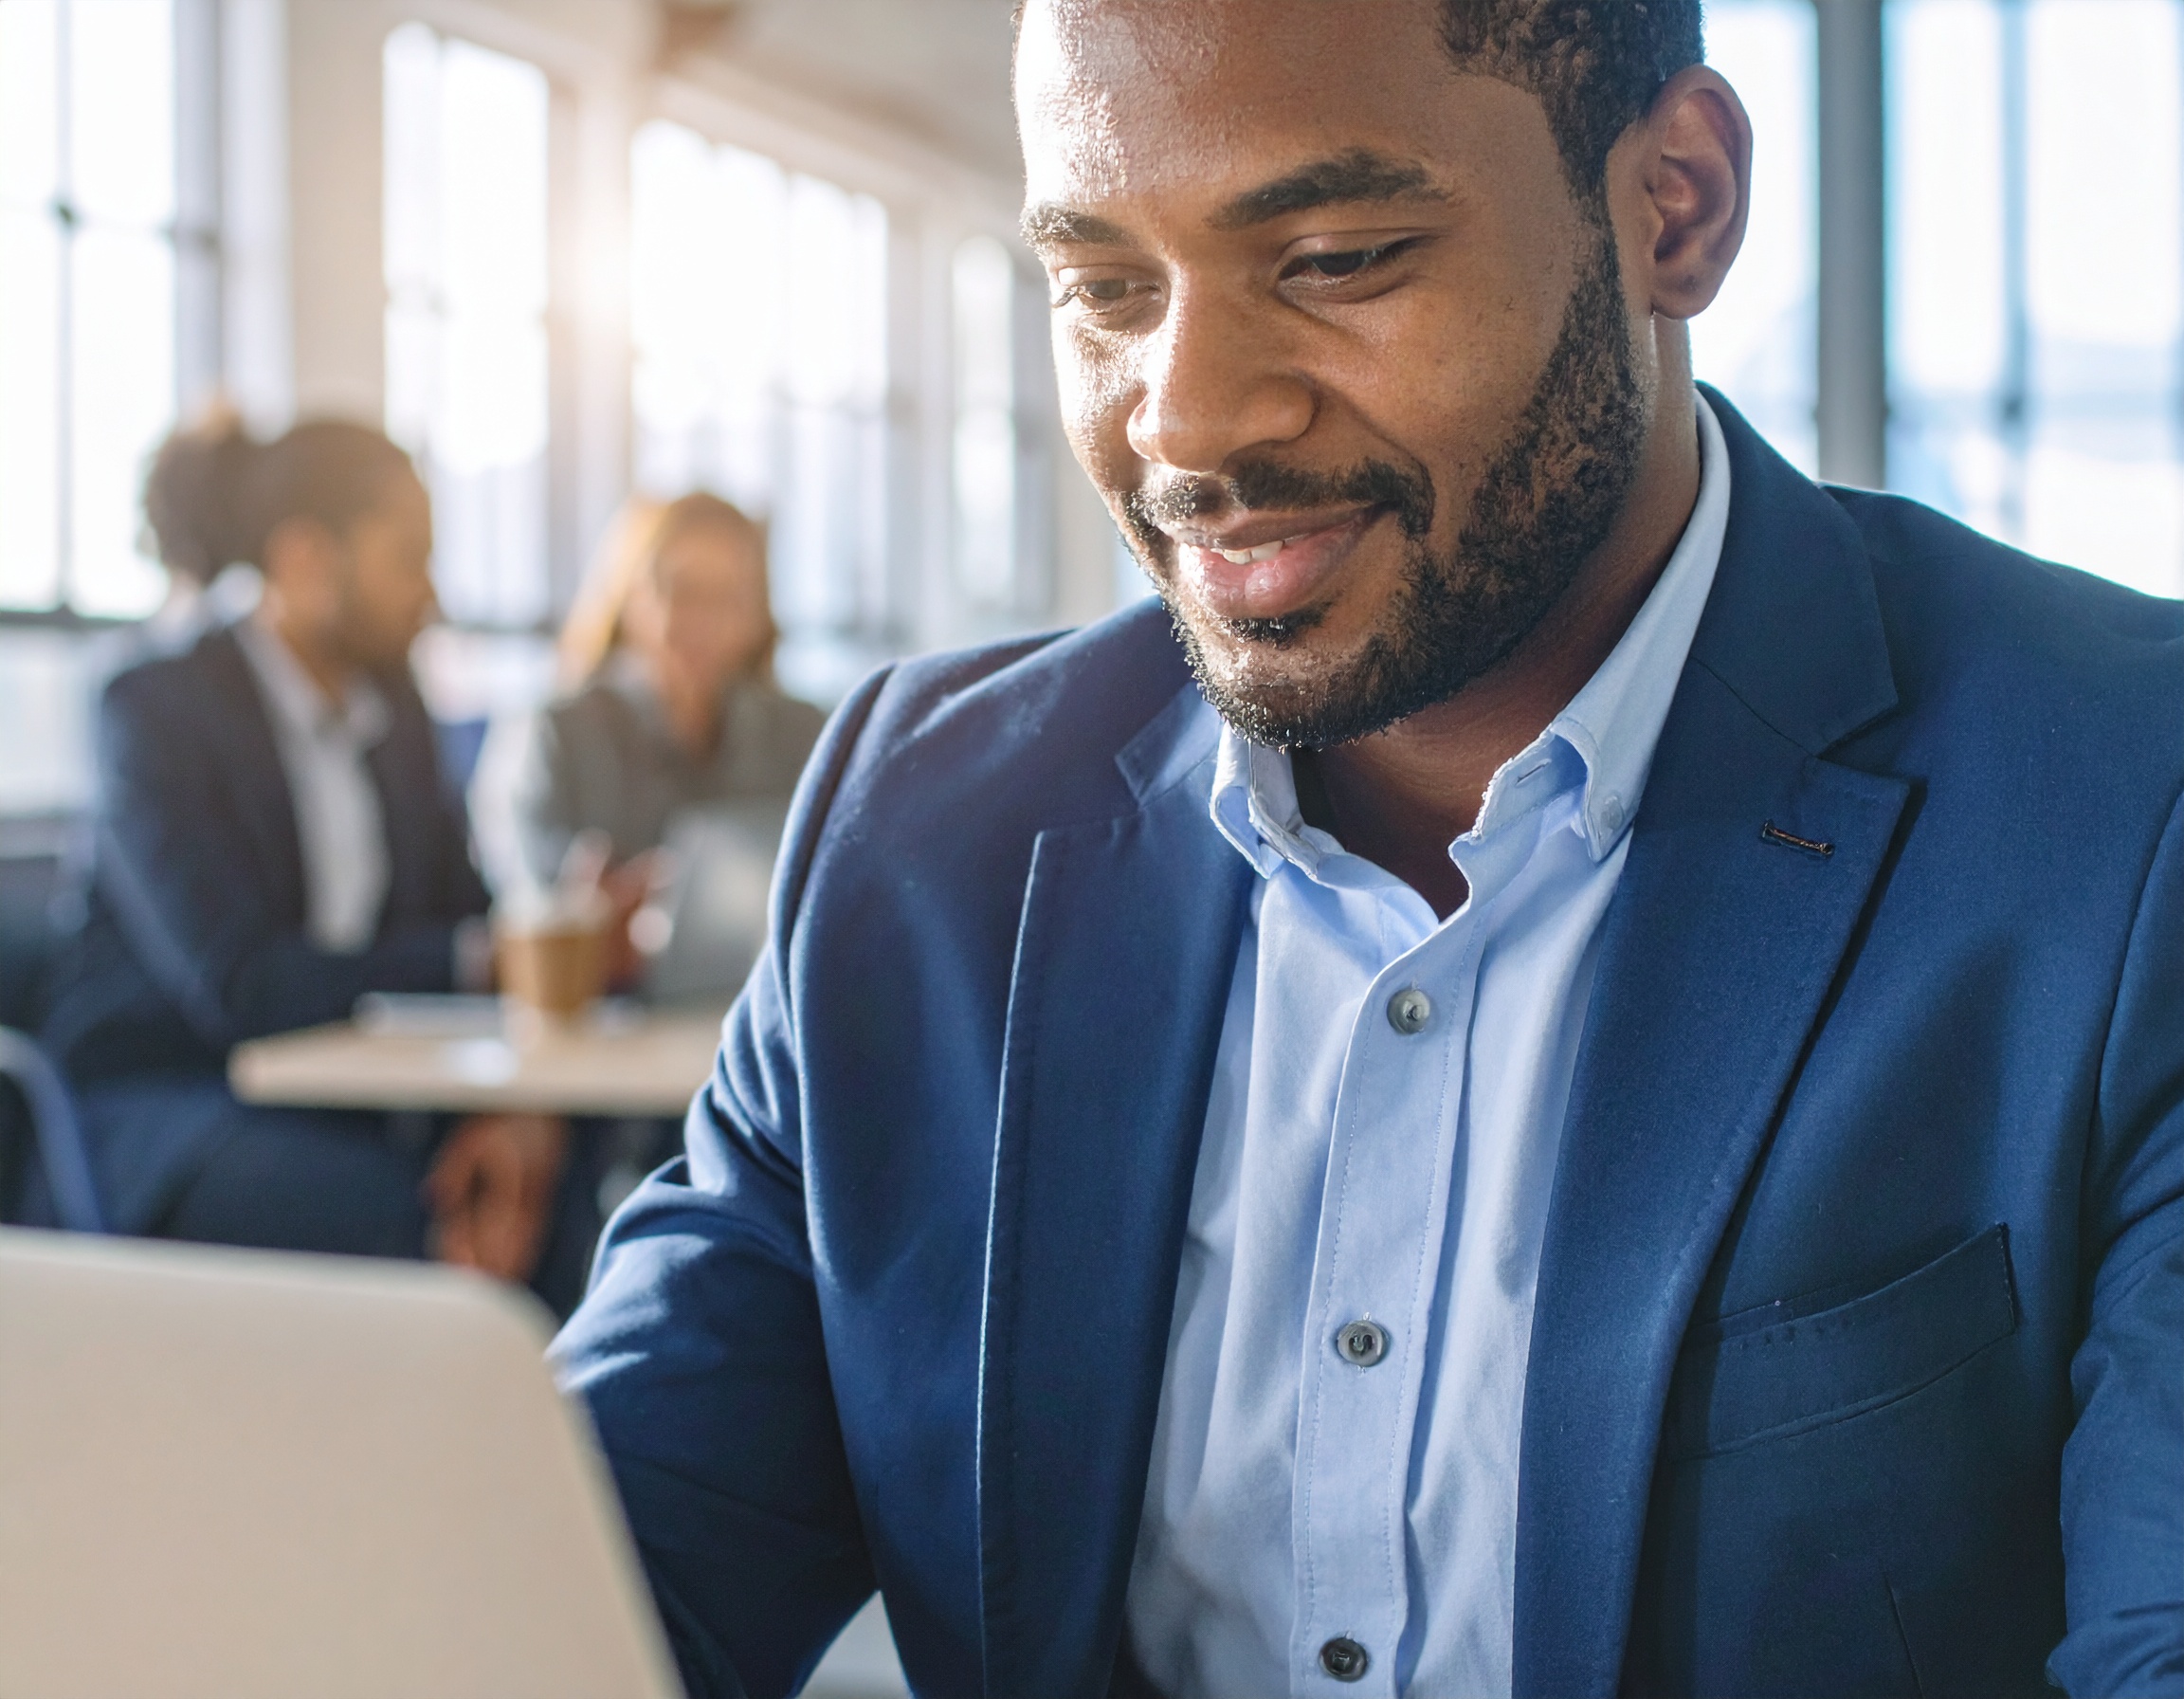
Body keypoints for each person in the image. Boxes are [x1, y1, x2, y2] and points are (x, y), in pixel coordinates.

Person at [553, 3, 2184, 1695]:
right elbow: (571, 1575)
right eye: (1105, 289)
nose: (1183, 421)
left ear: (1673, 205)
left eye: (1331, 257)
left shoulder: (2125, 812)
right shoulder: (926, 823)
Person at [42, 415, 582, 1300]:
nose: (431, 595)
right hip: (172, 1101)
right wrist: (478, 962)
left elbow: (465, 914)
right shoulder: (153, 711)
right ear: (303, 560)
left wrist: (507, 1107)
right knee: (412, 1221)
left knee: (565, 1191)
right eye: (407, 557)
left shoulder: (397, 708)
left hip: (354, 1094)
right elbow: (242, 984)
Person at [472, 492, 824, 895]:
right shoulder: (554, 736)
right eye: (682, 591)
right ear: (628, 597)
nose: (705, 621)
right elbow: (528, 901)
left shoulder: (804, 737)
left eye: (729, 595)